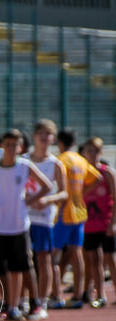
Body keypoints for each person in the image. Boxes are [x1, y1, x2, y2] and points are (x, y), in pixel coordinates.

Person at [0, 130, 52, 321]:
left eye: (15, 145)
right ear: (2, 146)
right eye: (8, 144)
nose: (11, 148)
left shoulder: (25, 166)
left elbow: (46, 186)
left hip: (19, 226)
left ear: (20, 148)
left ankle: (14, 306)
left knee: (17, 268)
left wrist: (31, 199)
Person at [52, 126, 100, 309]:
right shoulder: (81, 160)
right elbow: (96, 178)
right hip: (80, 212)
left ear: (60, 143)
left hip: (64, 212)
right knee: (77, 254)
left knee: (51, 255)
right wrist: (80, 192)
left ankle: (56, 295)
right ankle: (78, 295)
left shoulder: (60, 160)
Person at [25, 119, 66, 315]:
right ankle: (25, 299)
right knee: (24, 262)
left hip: (44, 219)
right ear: (34, 136)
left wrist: (48, 200)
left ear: (53, 138)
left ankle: (42, 301)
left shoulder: (55, 164)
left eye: (48, 133)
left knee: (44, 261)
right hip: (23, 220)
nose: (44, 136)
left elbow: (65, 193)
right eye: (40, 132)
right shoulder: (24, 160)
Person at [79, 139, 115, 307]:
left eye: (95, 151)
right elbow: (78, 195)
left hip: (105, 222)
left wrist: (112, 224)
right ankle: (98, 293)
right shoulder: (82, 173)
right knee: (92, 258)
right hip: (88, 223)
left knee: (109, 258)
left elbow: (115, 199)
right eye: (88, 151)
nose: (92, 154)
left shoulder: (107, 173)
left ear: (100, 153)